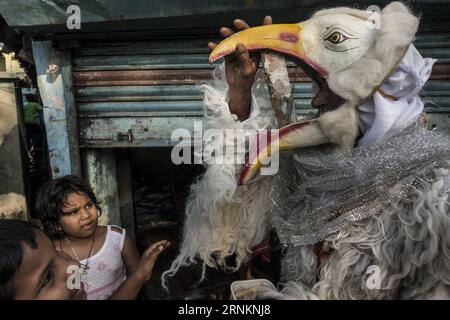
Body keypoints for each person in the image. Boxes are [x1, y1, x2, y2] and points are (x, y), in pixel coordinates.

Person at [164, 2, 450, 299]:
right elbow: (231, 222)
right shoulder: (314, 170)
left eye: (328, 90)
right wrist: (239, 95)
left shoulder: (437, 197)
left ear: (379, 95)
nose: (315, 104)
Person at [36, 175, 170, 300]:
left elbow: (138, 274)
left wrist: (144, 266)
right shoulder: (54, 254)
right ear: (56, 224)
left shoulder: (115, 238)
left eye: (89, 205)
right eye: (74, 212)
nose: (86, 215)